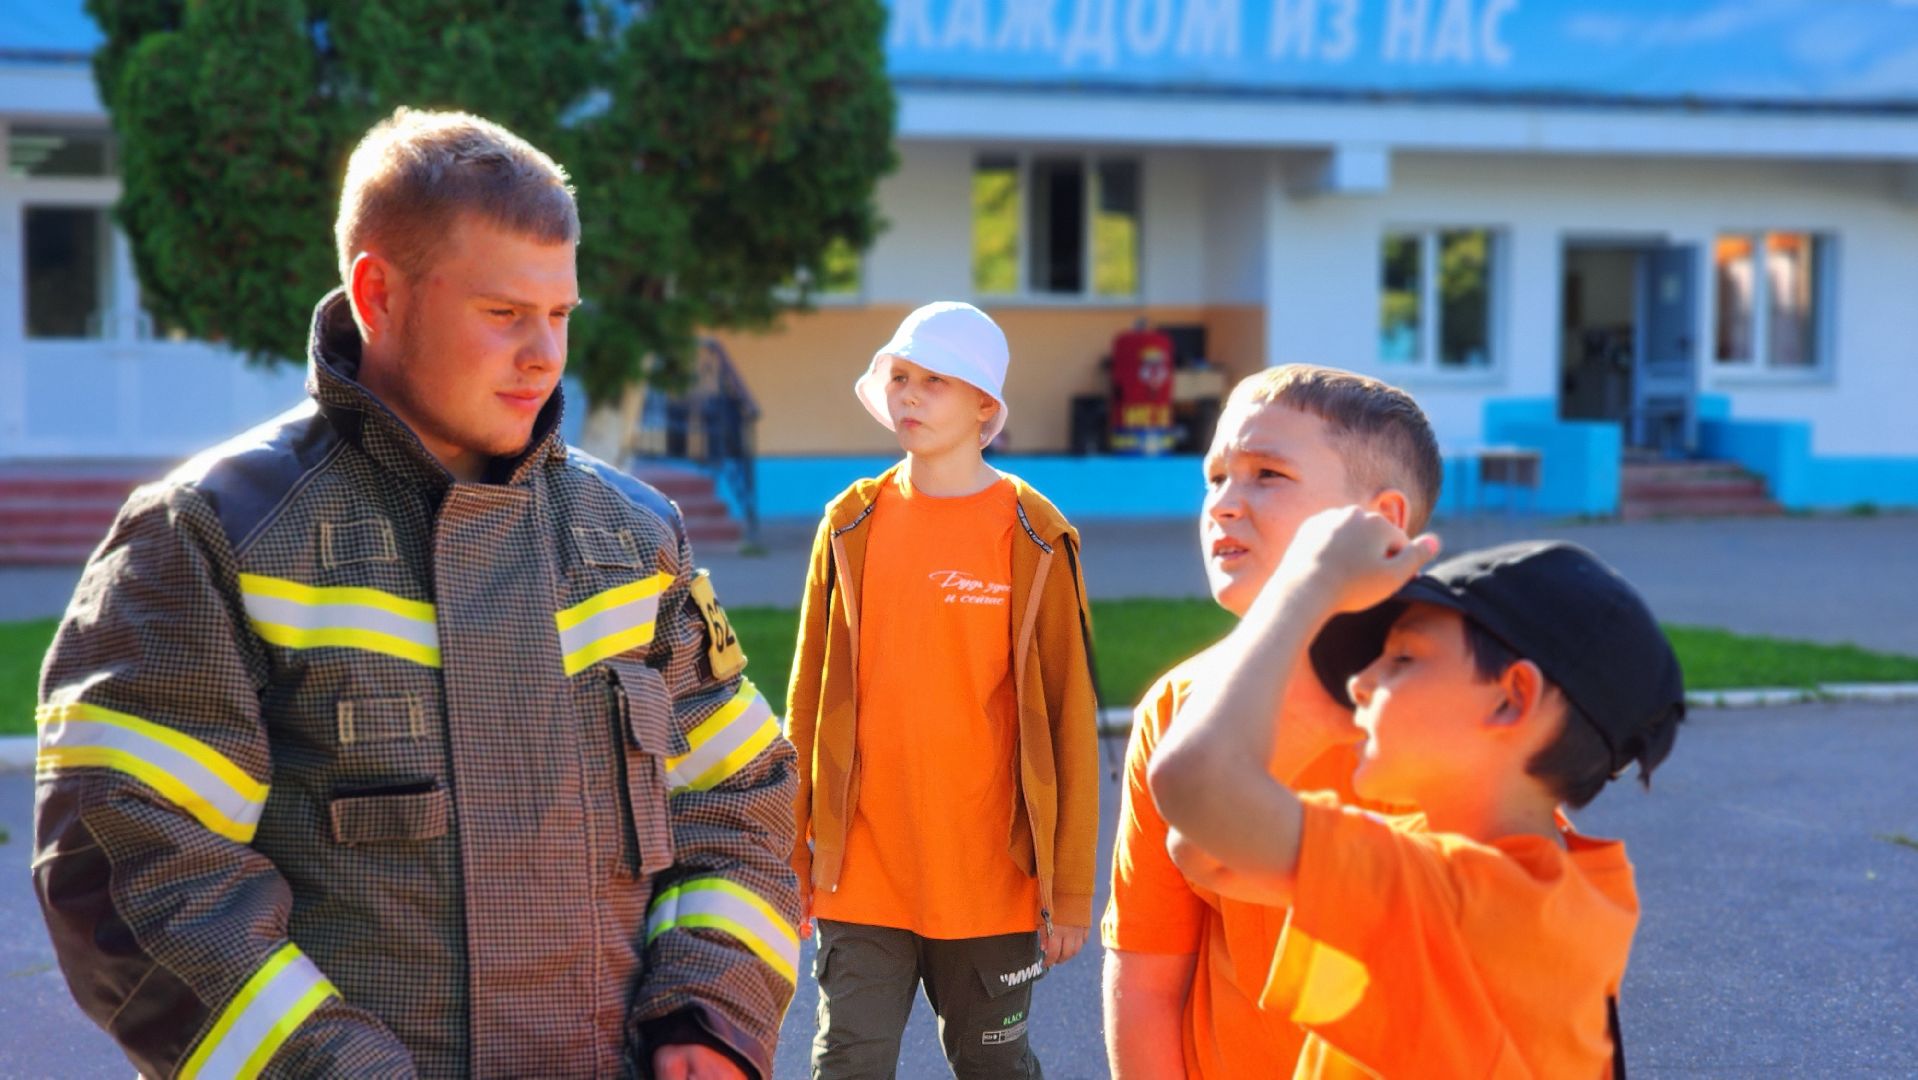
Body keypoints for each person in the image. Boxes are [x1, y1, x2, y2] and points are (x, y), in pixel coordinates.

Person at [31, 108, 798, 1079]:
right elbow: (138, 869)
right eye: (503, 313)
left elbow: (740, 798)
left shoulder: (634, 540)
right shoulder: (209, 537)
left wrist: (707, 1018)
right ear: (375, 293)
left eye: (559, 315)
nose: (544, 355)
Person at [1149, 514, 1685, 1076]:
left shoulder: (1439, 893)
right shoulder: (1558, 891)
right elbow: (1204, 854)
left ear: (1511, 697)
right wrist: (1328, 715)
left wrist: (1304, 585)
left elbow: (1196, 781)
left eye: (1403, 659)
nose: (1358, 683)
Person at [784, 301, 1100, 1078]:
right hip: (862, 872)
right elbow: (805, 699)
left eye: (935, 381)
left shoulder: (1034, 533)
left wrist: (1069, 885)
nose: (910, 396)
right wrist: (793, 854)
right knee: (847, 1064)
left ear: (986, 406)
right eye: (899, 378)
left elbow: (1070, 718)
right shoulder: (850, 524)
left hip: (992, 877)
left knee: (993, 1065)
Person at [1101, 365, 1442, 1078]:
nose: (1224, 504)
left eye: (1267, 475)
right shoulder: (1177, 705)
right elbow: (1146, 978)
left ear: (1381, 522)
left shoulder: (1461, 705)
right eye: (1216, 476)